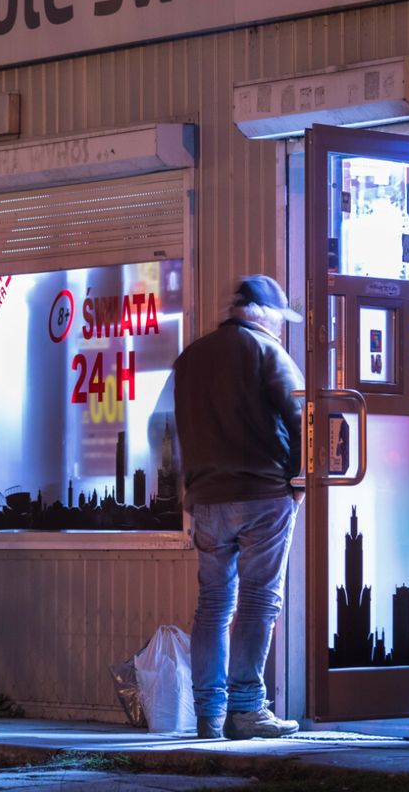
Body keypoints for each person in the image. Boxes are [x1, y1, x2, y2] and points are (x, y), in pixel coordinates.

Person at [173, 274, 304, 740]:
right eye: (279, 318)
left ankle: (209, 714)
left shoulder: (190, 358)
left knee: (212, 605)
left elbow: (175, 432)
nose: (281, 328)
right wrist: (298, 479)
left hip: (206, 498)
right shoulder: (267, 352)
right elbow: (300, 415)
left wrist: (190, 492)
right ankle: (247, 709)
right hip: (263, 494)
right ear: (261, 313)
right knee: (257, 600)